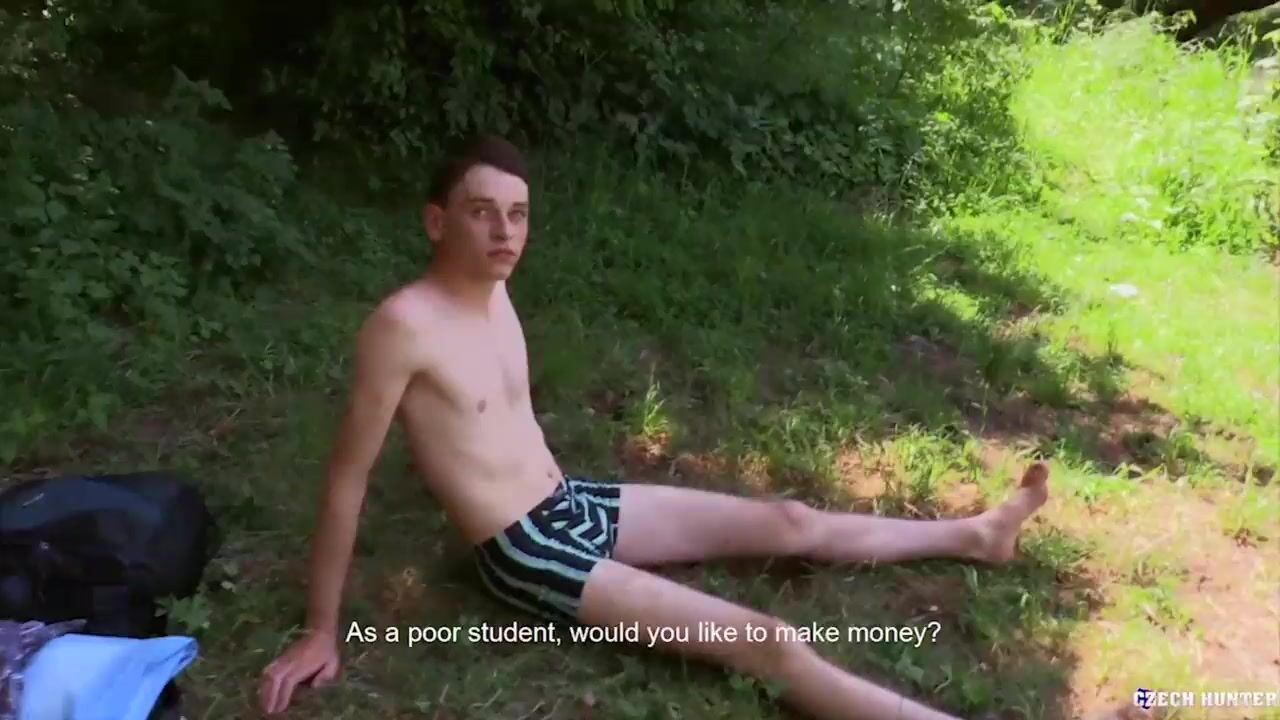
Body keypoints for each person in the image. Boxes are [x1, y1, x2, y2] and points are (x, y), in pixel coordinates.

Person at [256, 134, 1053, 720]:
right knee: (767, 643)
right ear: (437, 222)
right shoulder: (401, 327)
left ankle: (977, 536)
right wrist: (321, 630)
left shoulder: (494, 292)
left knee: (789, 520)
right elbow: (346, 479)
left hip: (569, 501)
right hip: (523, 550)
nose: (505, 232)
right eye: (481, 213)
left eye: (518, 215)